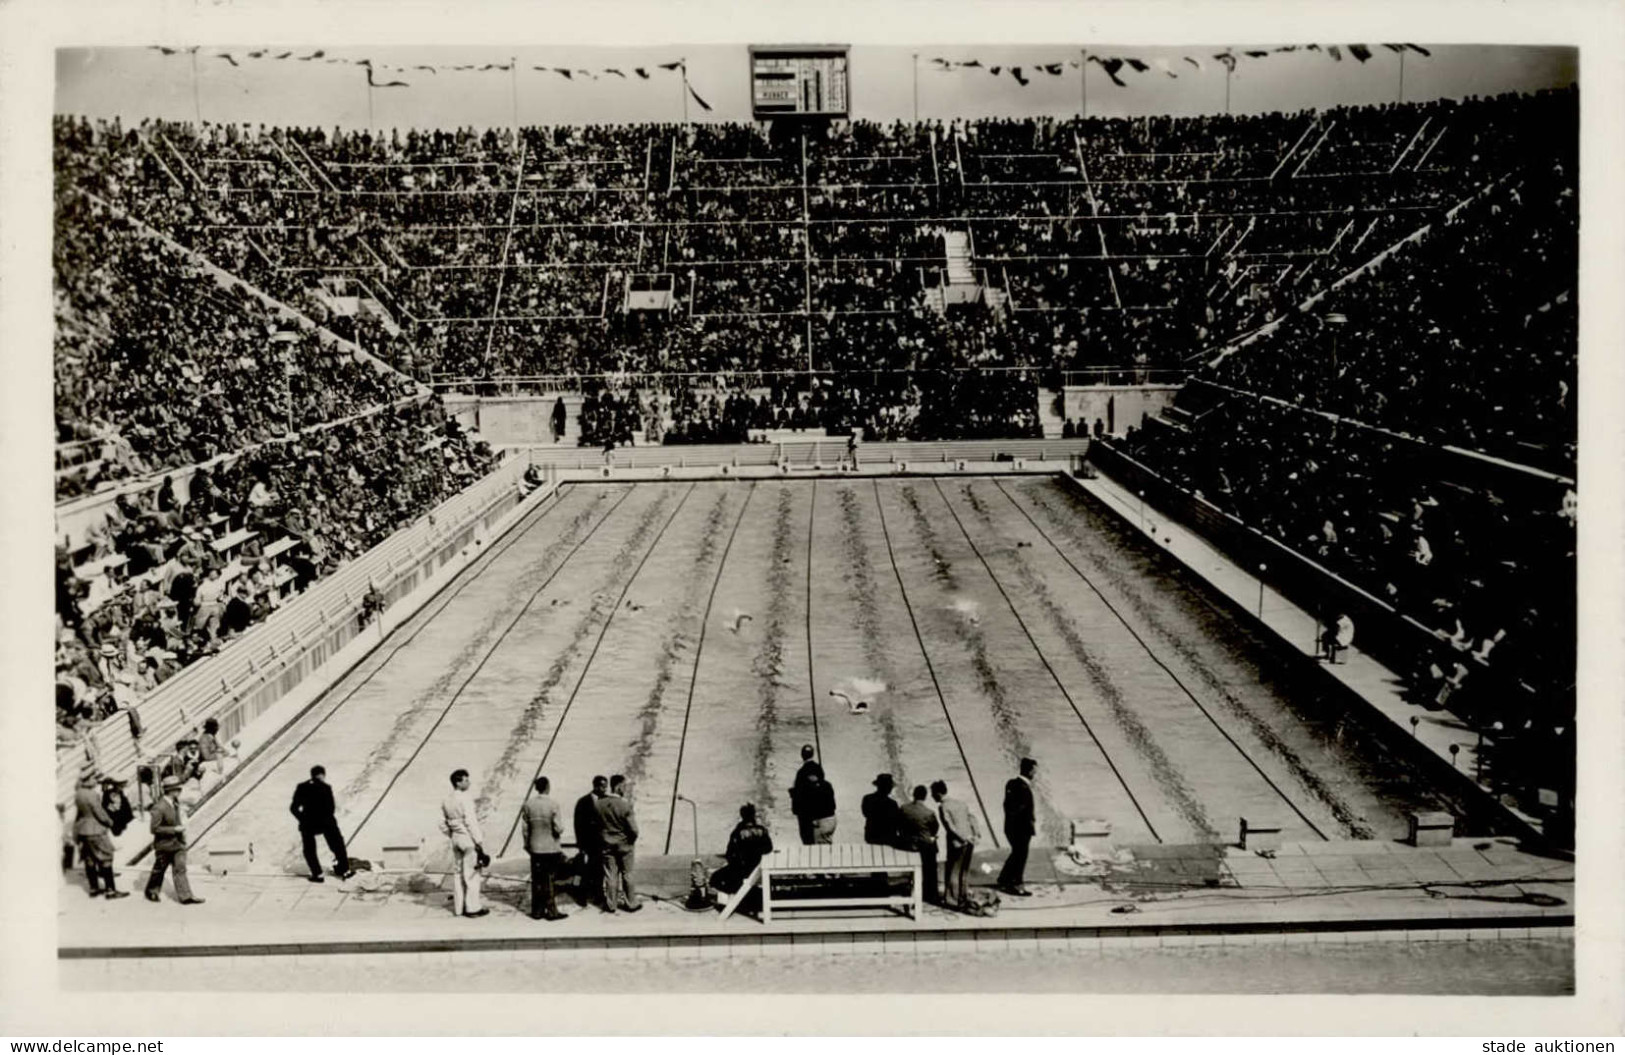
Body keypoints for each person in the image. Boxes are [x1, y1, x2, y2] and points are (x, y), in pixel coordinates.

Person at [144, 777, 203, 904]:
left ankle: (185, 896)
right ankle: (152, 891)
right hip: (164, 845)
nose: (180, 791)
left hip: (178, 844)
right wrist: (174, 829)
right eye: (177, 789)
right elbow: (154, 829)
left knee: (180, 868)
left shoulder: (175, 803)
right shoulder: (159, 807)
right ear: (170, 790)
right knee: (159, 870)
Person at [289, 765, 352, 883]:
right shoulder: (326, 788)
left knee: (309, 849)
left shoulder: (302, 787)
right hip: (326, 822)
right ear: (322, 775)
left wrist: (302, 818)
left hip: (308, 823)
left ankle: (317, 874)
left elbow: (293, 808)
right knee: (338, 845)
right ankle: (344, 871)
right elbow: (331, 808)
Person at [440, 768, 488, 918]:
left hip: (455, 838)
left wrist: (452, 834)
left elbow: (441, 823)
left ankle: (459, 908)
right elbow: (470, 821)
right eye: (465, 780)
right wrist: (478, 841)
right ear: (458, 782)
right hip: (468, 839)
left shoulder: (446, 800)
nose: (468, 782)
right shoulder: (465, 798)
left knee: (458, 873)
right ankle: (473, 908)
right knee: (472, 874)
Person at [73, 770, 127, 899]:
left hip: (83, 830)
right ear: (88, 780)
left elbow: (80, 813)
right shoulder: (92, 795)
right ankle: (110, 891)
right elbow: (99, 812)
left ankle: (94, 888)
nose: (96, 780)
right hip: (96, 830)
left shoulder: (79, 793)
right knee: (106, 857)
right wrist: (110, 822)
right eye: (94, 778)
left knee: (89, 859)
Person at [521, 775, 567, 921]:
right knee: (549, 879)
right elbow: (558, 828)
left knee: (537, 879)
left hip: (535, 847)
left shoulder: (528, 804)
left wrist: (527, 844)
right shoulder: (553, 804)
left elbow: (525, 829)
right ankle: (552, 911)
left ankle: (537, 911)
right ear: (547, 787)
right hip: (550, 847)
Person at [595, 774, 641, 913]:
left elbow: (596, 826)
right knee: (627, 874)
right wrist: (630, 841)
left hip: (606, 844)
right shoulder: (625, 804)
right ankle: (630, 903)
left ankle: (611, 905)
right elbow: (634, 829)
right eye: (624, 786)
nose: (625, 789)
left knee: (610, 875)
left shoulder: (599, 804)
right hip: (624, 845)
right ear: (618, 786)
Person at [933, 779, 981, 909]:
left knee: (954, 871)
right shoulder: (960, 803)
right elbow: (972, 818)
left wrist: (963, 838)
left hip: (958, 842)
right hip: (971, 839)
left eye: (933, 793)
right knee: (964, 871)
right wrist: (975, 834)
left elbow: (950, 827)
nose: (932, 796)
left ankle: (952, 900)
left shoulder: (943, 806)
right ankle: (963, 896)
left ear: (938, 793)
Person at [711, 803, 773, 896]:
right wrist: (756, 851)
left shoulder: (738, 832)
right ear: (753, 815)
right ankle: (745, 893)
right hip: (756, 867)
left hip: (741, 868)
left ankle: (736, 894)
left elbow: (730, 853)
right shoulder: (762, 830)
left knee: (714, 879)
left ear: (742, 815)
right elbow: (769, 848)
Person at [998, 757, 1038, 897]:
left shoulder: (1012, 784)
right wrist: (1026, 824)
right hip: (1020, 829)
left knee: (1016, 854)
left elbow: (1008, 806)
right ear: (1029, 771)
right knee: (1020, 856)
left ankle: (1003, 879)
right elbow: (1017, 809)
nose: (1035, 774)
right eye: (1034, 770)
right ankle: (1016, 885)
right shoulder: (1022, 787)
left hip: (1013, 828)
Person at [897, 784, 941, 905]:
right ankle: (931, 894)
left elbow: (899, 824)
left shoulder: (904, 808)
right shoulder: (929, 813)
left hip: (908, 844)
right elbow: (935, 828)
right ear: (925, 796)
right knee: (931, 868)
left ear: (914, 795)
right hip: (925, 846)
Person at [572, 775, 608, 907]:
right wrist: (580, 844)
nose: (605, 789)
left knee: (599, 870)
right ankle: (582, 895)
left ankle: (598, 894)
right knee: (584, 870)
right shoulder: (583, 802)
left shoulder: (606, 800)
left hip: (601, 843)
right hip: (587, 843)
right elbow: (578, 824)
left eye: (606, 786)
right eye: (603, 786)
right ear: (596, 786)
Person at [788, 744, 824, 845]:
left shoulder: (801, 772)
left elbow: (798, 793)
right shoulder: (819, 769)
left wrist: (792, 792)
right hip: (819, 810)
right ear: (813, 754)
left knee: (806, 839)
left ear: (802, 755)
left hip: (805, 812)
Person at [861, 773, 902, 846]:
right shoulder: (892, 804)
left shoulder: (867, 799)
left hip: (871, 835)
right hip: (888, 837)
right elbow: (896, 821)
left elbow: (865, 813)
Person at [799, 769, 837, 844]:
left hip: (821, 821)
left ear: (812, 776)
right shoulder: (827, 785)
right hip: (831, 819)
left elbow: (812, 806)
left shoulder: (813, 788)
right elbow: (833, 804)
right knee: (827, 842)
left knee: (820, 847)